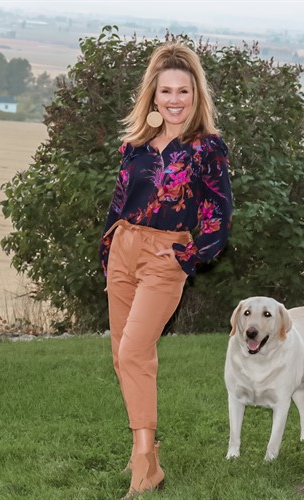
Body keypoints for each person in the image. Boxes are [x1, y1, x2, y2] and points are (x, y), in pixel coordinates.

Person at [99, 41, 233, 497]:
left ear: (196, 97)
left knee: (134, 351)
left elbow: (219, 209)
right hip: (124, 250)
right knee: (126, 356)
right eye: (166, 92)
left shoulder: (206, 148)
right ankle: (148, 456)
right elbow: (120, 201)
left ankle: (143, 464)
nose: (174, 100)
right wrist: (108, 249)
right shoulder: (134, 147)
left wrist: (192, 254)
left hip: (164, 257)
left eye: (184, 92)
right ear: (152, 97)